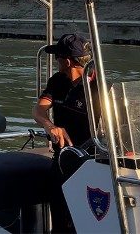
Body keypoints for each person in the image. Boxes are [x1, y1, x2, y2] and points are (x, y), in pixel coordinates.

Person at [32, 33, 98, 233]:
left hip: (92, 160)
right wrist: (50, 126)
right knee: (59, 210)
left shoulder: (100, 86)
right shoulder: (57, 81)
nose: (56, 61)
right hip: (63, 158)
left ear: (66, 61)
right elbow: (38, 110)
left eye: (57, 58)